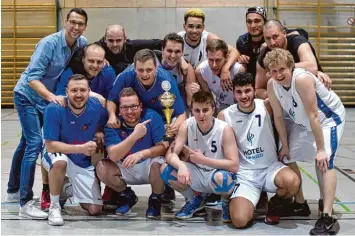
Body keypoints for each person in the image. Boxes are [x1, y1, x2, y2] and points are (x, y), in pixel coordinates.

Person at [6, 8, 88, 217]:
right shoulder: (49, 44)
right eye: (72, 22)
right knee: (34, 143)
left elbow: (89, 58)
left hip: (43, 100)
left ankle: (13, 191)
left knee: (25, 143)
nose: (76, 27)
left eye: (80, 24)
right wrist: (51, 97)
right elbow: (33, 78)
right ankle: (25, 203)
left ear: (84, 26)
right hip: (27, 96)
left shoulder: (82, 43)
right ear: (65, 23)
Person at [265, 48, 345, 235]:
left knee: (325, 161)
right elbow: (278, 116)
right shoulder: (272, 84)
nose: (278, 74)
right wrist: (284, 145)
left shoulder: (301, 79)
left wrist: (321, 149)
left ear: (291, 67)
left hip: (328, 119)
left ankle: (327, 216)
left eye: (282, 69)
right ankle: (300, 204)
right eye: (273, 70)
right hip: (303, 123)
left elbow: (314, 115)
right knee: (286, 157)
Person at [218, 73, 300, 227]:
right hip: (246, 175)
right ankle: (253, 198)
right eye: (239, 92)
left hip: (270, 168)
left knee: (293, 182)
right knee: (239, 221)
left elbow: (289, 89)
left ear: (254, 90)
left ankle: (274, 203)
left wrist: (317, 75)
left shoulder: (266, 105)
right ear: (233, 93)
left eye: (247, 91)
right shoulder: (225, 115)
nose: (244, 96)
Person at [106, 49, 187, 202]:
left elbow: (182, 113)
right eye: (140, 70)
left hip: (162, 120)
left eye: (149, 70)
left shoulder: (167, 80)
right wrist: (111, 115)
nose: (145, 74)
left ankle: (167, 187)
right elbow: (111, 100)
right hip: (133, 117)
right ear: (133, 68)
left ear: (156, 67)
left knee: (175, 143)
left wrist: (175, 126)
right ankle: (117, 192)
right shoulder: (125, 76)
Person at [160, 91, 239, 220]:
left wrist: (204, 160)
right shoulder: (186, 125)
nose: (201, 115)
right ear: (191, 111)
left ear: (213, 110)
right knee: (165, 170)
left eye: (205, 110)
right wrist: (181, 166)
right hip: (196, 172)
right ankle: (195, 199)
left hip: (216, 173)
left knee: (222, 179)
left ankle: (226, 202)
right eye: (197, 111)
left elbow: (234, 165)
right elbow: (170, 155)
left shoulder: (224, 129)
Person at [41, 74, 108, 226]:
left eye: (83, 90)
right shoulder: (54, 108)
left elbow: (102, 121)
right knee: (59, 161)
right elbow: (51, 145)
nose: (78, 94)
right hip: (58, 153)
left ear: (89, 91)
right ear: (66, 92)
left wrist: (99, 131)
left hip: (81, 160)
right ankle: (54, 206)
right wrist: (80, 148)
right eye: (74, 90)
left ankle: (66, 186)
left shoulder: (95, 106)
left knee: (95, 209)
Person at [96, 87, 168, 218]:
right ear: (119, 110)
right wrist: (135, 135)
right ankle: (126, 196)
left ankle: (155, 200)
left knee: (161, 165)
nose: (130, 111)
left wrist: (141, 154)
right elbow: (113, 155)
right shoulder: (112, 124)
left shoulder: (152, 116)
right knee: (102, 167)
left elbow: (163, 148)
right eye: (124, 108)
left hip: (148, 164)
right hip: (124, 165)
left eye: (134, 106)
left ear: (140, 106)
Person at [255, 19, 331, 99]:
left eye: (275, 37)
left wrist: (281, 69)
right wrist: (279, 96)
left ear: (284, 34)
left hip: (312, 92)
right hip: (286, 99)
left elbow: (312, 67)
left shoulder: (298, 41)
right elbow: (258, 90)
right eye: (267, 38)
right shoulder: (263, 56)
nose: (272, 43)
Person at [236, 6, 308, 78]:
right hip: (254, 79)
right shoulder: (242, 41)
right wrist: (240, 58)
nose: (253, 25)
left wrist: (268, 42)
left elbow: (302, 33)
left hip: (276, 75)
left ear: (265, 22)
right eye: (249, 22)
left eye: (257, 21)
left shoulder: (272, 34)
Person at [178, 8, 240, 91]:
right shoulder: (178, 40)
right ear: (184, 26)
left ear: (203, 27)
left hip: (203, 83)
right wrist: (180, 58)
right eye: (190, 26)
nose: (194, 30)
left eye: (199, 27)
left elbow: (234, 52)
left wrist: (225, 69)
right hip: (182, 83)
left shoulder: (209, 38)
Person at [195, 39, 243, 114]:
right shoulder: (201, 71)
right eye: (210, 60)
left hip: (239, 106)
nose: (214, 65)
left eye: (218, 60)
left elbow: (243, 97)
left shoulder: (238, 70)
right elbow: (209, 100)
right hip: (220, 106)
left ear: (226, 57)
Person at [96, 24, 163, 75]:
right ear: (104, 39)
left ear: (125, 39)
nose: (115, 45)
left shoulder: (132, 46)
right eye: (111, 41)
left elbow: (156, 43)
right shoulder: (98, 47)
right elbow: (87, 49)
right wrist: (97, 55)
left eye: (119, 40)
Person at [153, 32, 197, 109]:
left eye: (177, 52)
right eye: (169, 51)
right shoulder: (151, 63)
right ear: (162, 50)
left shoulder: (187, 68)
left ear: (182, 52)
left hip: (176, 108)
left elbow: (191, 103)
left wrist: (196, 94)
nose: (173, 56)